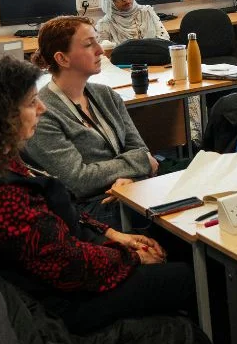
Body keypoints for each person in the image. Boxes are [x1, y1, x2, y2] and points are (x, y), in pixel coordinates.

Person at [0, 56, 209, 344]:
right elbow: (68, 266)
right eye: (30, 103)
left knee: (171, 250)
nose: (41, 108)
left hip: (55, 279)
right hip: (60, 306)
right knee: (191, 275)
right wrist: (129, 257)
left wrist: (111, 234)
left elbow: (54, 221)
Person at [24, 16, 159, 225]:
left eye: (97, 41)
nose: (100, 51)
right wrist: (139, 164)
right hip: (87, 209)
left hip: (129, 189)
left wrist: (132, 180)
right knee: (162, 214)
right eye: (89, 44)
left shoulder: (107, 95)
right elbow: (78, 180)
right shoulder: (44, 113)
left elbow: (143, 152)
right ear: (62, 59)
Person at [94, 0, 169, 47]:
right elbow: (103, 52)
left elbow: (164, 39)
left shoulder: (147, 11)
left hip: (153, 58)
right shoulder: (105, 24)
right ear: (110, 1)